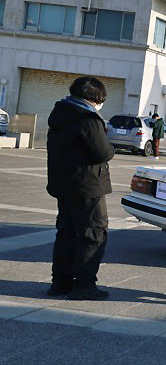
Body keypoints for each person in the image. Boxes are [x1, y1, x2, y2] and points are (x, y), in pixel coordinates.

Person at [46, 76, 115, 300]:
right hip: (87, 186)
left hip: (64, 184)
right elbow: (102, 152)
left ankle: (60, 283)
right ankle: (85, 286)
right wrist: (111, 147)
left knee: (66, 233)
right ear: (96, 98)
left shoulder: (61, 114)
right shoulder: (87, 118)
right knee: (93, 234)